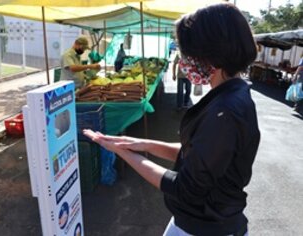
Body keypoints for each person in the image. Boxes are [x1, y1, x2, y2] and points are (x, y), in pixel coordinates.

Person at [83, 3, 260, 236]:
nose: (184, 61)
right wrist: (141, 144)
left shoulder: (225, 111)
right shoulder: (229, 97)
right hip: (195, 221)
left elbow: (185, 188)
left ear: (211, 55)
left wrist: (124, 153)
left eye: (188, 53)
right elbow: (198, 154)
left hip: (206, 228)